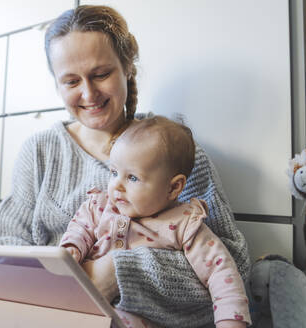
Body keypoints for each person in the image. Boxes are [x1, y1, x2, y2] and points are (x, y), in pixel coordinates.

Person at [0, 5, 251, 328]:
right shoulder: (39, 151)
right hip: (42, 310)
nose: (88, 94)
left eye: (100, 74)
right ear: (56, 84)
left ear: (127, 68)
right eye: (71, 81)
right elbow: (4, 246)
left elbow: (234, 271)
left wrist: (115, 272)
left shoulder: (172, 153)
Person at [60, 116, 251, 328]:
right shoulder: (101, 206)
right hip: (89, 310)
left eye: (132, 178)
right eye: (114, 172)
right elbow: (79, 229)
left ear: (173, 188)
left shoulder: (185, 224)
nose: (117, 186)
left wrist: (230, 321)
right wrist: (71, 248)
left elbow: (221, 272)